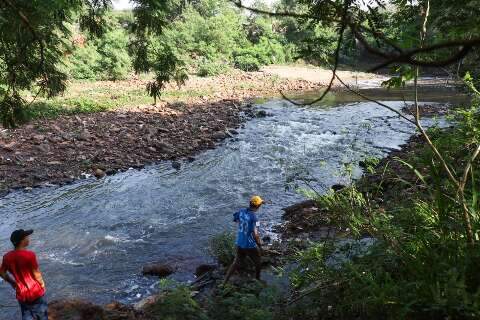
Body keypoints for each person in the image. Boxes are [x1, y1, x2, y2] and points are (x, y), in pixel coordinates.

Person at [0, 229, 48, 320]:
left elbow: (1, 272)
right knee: (42, 316)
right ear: (22, 241)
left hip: (21, 293)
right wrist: (42, 285)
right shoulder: (30, 255)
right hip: (35, 292)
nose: (28, 238)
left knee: (27, 316)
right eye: (27, 237)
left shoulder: (7, 257)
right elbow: (36, 274)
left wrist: (12, 283)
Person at [224, 195, 264, 284]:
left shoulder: (241, 211)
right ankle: (257, 280)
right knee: (258, 262)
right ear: (258, 206)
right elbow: (256, 234)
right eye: (261, 204)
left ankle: (224, 282)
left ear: (250, 204)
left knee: (235, 262)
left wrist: (243, 224)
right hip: (249, 245)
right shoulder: (255, 218)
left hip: (239, 242)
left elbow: (235, 219)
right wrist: (260, 246)